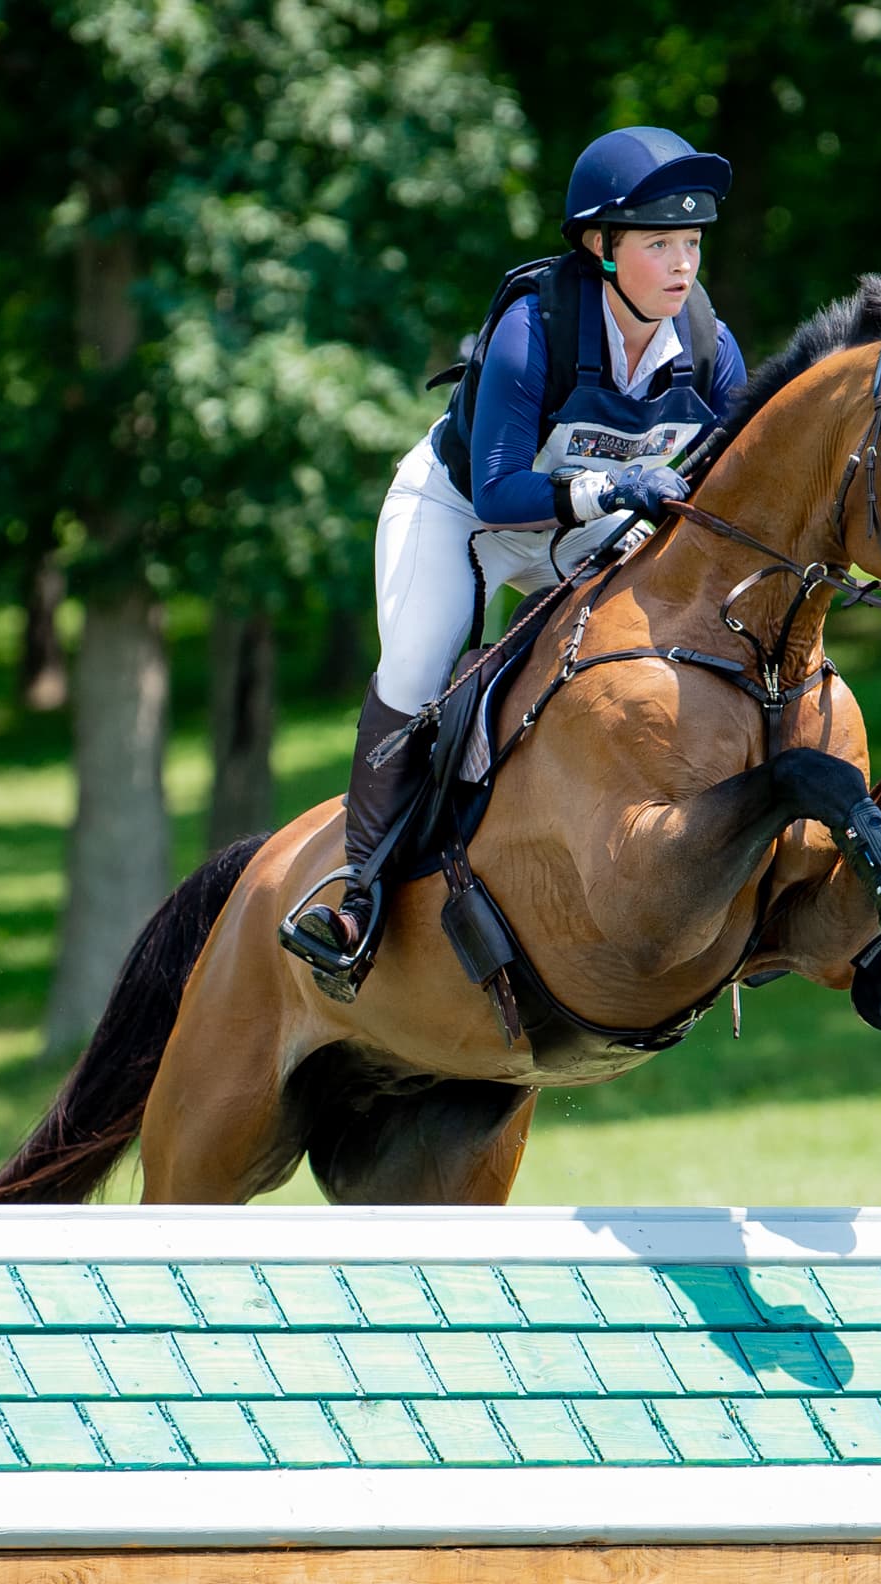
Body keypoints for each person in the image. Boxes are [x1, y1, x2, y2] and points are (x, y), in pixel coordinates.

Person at [283, 126, 749, 993]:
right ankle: (356, 897)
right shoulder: (532, 327)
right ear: (601, 248)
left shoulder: (711, 351)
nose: (682, 264)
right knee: (424, 666)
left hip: (582, 524)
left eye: (690, 243)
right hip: (460, 511)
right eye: (658, 244)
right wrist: (612, 494)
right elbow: (498, 492)